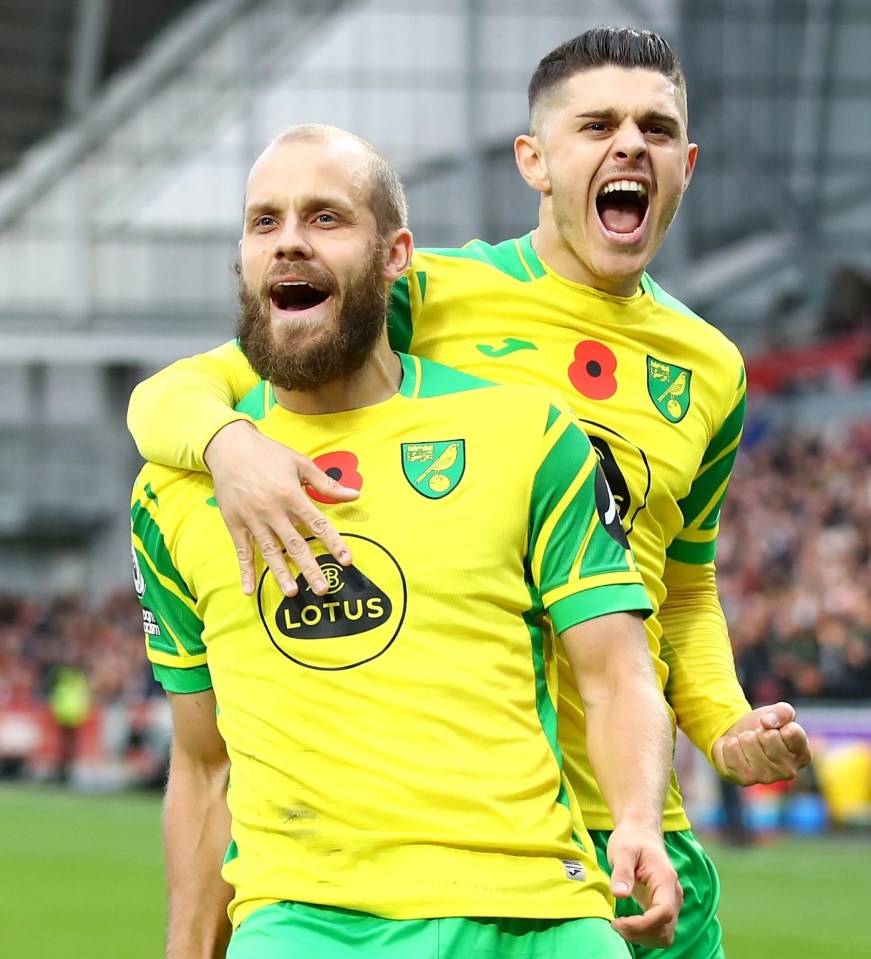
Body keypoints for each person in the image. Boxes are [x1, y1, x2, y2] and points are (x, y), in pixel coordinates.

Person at [127, 26, 813, 958]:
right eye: (597, 124)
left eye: (655, 129)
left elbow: (682, 587)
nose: (629, 146)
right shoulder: (429, 293)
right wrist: (226, 445)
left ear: (685, 164)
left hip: (633, 819)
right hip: (474, 826)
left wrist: (724, 719)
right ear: (533, 159)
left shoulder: (713, 368)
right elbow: (181, 388)